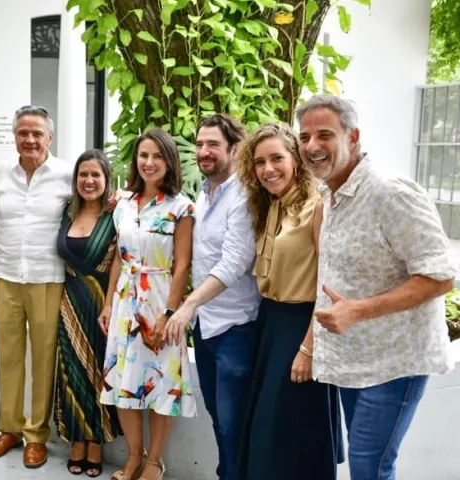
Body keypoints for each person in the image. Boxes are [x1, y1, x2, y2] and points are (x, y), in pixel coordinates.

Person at [296, 94, 454, 480]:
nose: (312, 146)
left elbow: (441, 276)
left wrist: (358, 311)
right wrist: (311, 347)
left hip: (395, 363)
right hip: (353, 362)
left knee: (370, 466)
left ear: (353, 137)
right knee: (366, 464)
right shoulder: (329, 194)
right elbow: (331, 278)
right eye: (304, 137)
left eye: (324, 135)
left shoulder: (390, 192)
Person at [231, 123, 340, 479]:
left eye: (277, 158)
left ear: (295, 159)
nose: (268, 169)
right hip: (270, 325)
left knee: (291, 434)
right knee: (267, 431)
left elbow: (328, 282)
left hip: (302, 327)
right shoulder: (270, 206)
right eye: (260, 162)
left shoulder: (316, 206)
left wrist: (309, 348)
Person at [162, 114, 260, 480]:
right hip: (206, 328)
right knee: (220, 419)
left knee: (235, 422)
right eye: (200, 144)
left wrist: (188, 304)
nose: (203, 151)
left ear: (235, 149)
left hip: (236, 327)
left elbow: (235, 261)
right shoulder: (203, 195)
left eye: (213, 145)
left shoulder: (245, 195)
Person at [100, 127, 196, 480]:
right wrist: (109, 304)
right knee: (123, 381)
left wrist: (169, 314)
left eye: (157, 156)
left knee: (161, 384)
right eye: (143, 155)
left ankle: (154, 461)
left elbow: (182, 264)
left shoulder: (182, 206)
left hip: (159, 298)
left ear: (169, 162)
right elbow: (117, 258)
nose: (149, 162)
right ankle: (133, 457)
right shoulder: (123, 205)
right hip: (125, 301)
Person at [0, 105, 69, 468]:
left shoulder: (66, 174)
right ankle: (10, 429)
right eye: (23, 133)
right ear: (15, 136)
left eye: (37, 133)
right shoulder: (0, 174)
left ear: (50, 137)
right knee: (9, 357)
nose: (30, 140)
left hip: (48, 277)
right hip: (6, 278)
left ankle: (36, 434)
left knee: (44, 358)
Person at [55, 149, 122, 477]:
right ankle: (76, 441)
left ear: (107, 180)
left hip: (101, 306)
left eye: (96, 175)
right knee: (72, 372)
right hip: (68, 303)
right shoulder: (67, 213)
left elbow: (122, 262)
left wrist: (109, 304)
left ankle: (95, 442)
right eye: (83, 175)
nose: (89, 180)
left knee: (97, 373)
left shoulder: (117, 214)